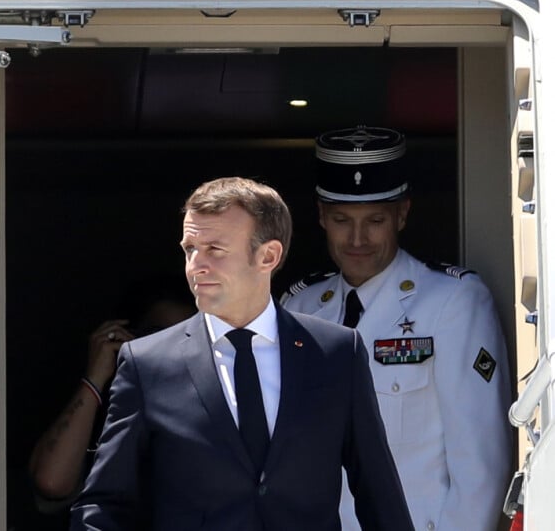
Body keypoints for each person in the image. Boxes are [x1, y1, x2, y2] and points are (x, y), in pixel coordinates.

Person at [70, 176, 414, 531]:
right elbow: (104, 504)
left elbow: (380, 498)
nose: (196, 265)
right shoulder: (147, 363)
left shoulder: (336, 353)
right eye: (190, 249)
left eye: (215, 249)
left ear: (268, 256)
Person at [282, 125, 512, 531]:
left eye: (374, 220)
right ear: (320, 217)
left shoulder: (452, 302)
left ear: (402, 214)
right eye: (340, 220)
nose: (357, 239)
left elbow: (480, 463)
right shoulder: (298, 307)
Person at [28, 282, 196, 516]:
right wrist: (95, 377)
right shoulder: (107, 415)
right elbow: (52, 482)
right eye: (157, 335)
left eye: (184, 338)